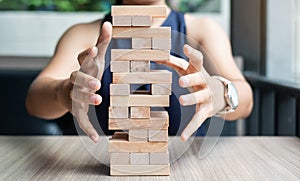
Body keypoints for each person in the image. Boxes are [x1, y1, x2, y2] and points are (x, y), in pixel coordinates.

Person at [26, 0, 253, 143]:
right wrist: (64, 91)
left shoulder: (203, 30)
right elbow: (34, 100)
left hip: (189, 174)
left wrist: (220, 92)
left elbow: (246, 100)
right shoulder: (83, 34)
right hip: (100, 177)